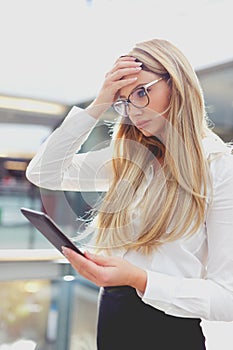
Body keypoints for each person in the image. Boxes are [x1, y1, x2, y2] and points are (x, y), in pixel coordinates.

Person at [26, 38, 233, 350]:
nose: (132, 111)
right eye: (122, 101)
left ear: (175, 84)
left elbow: (227, 299)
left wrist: (140, 279)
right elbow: (43, 172)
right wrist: (98, 104)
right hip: (112, 321)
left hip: (168, 334)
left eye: (141, 92)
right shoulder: (129, 160)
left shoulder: (217, 166)